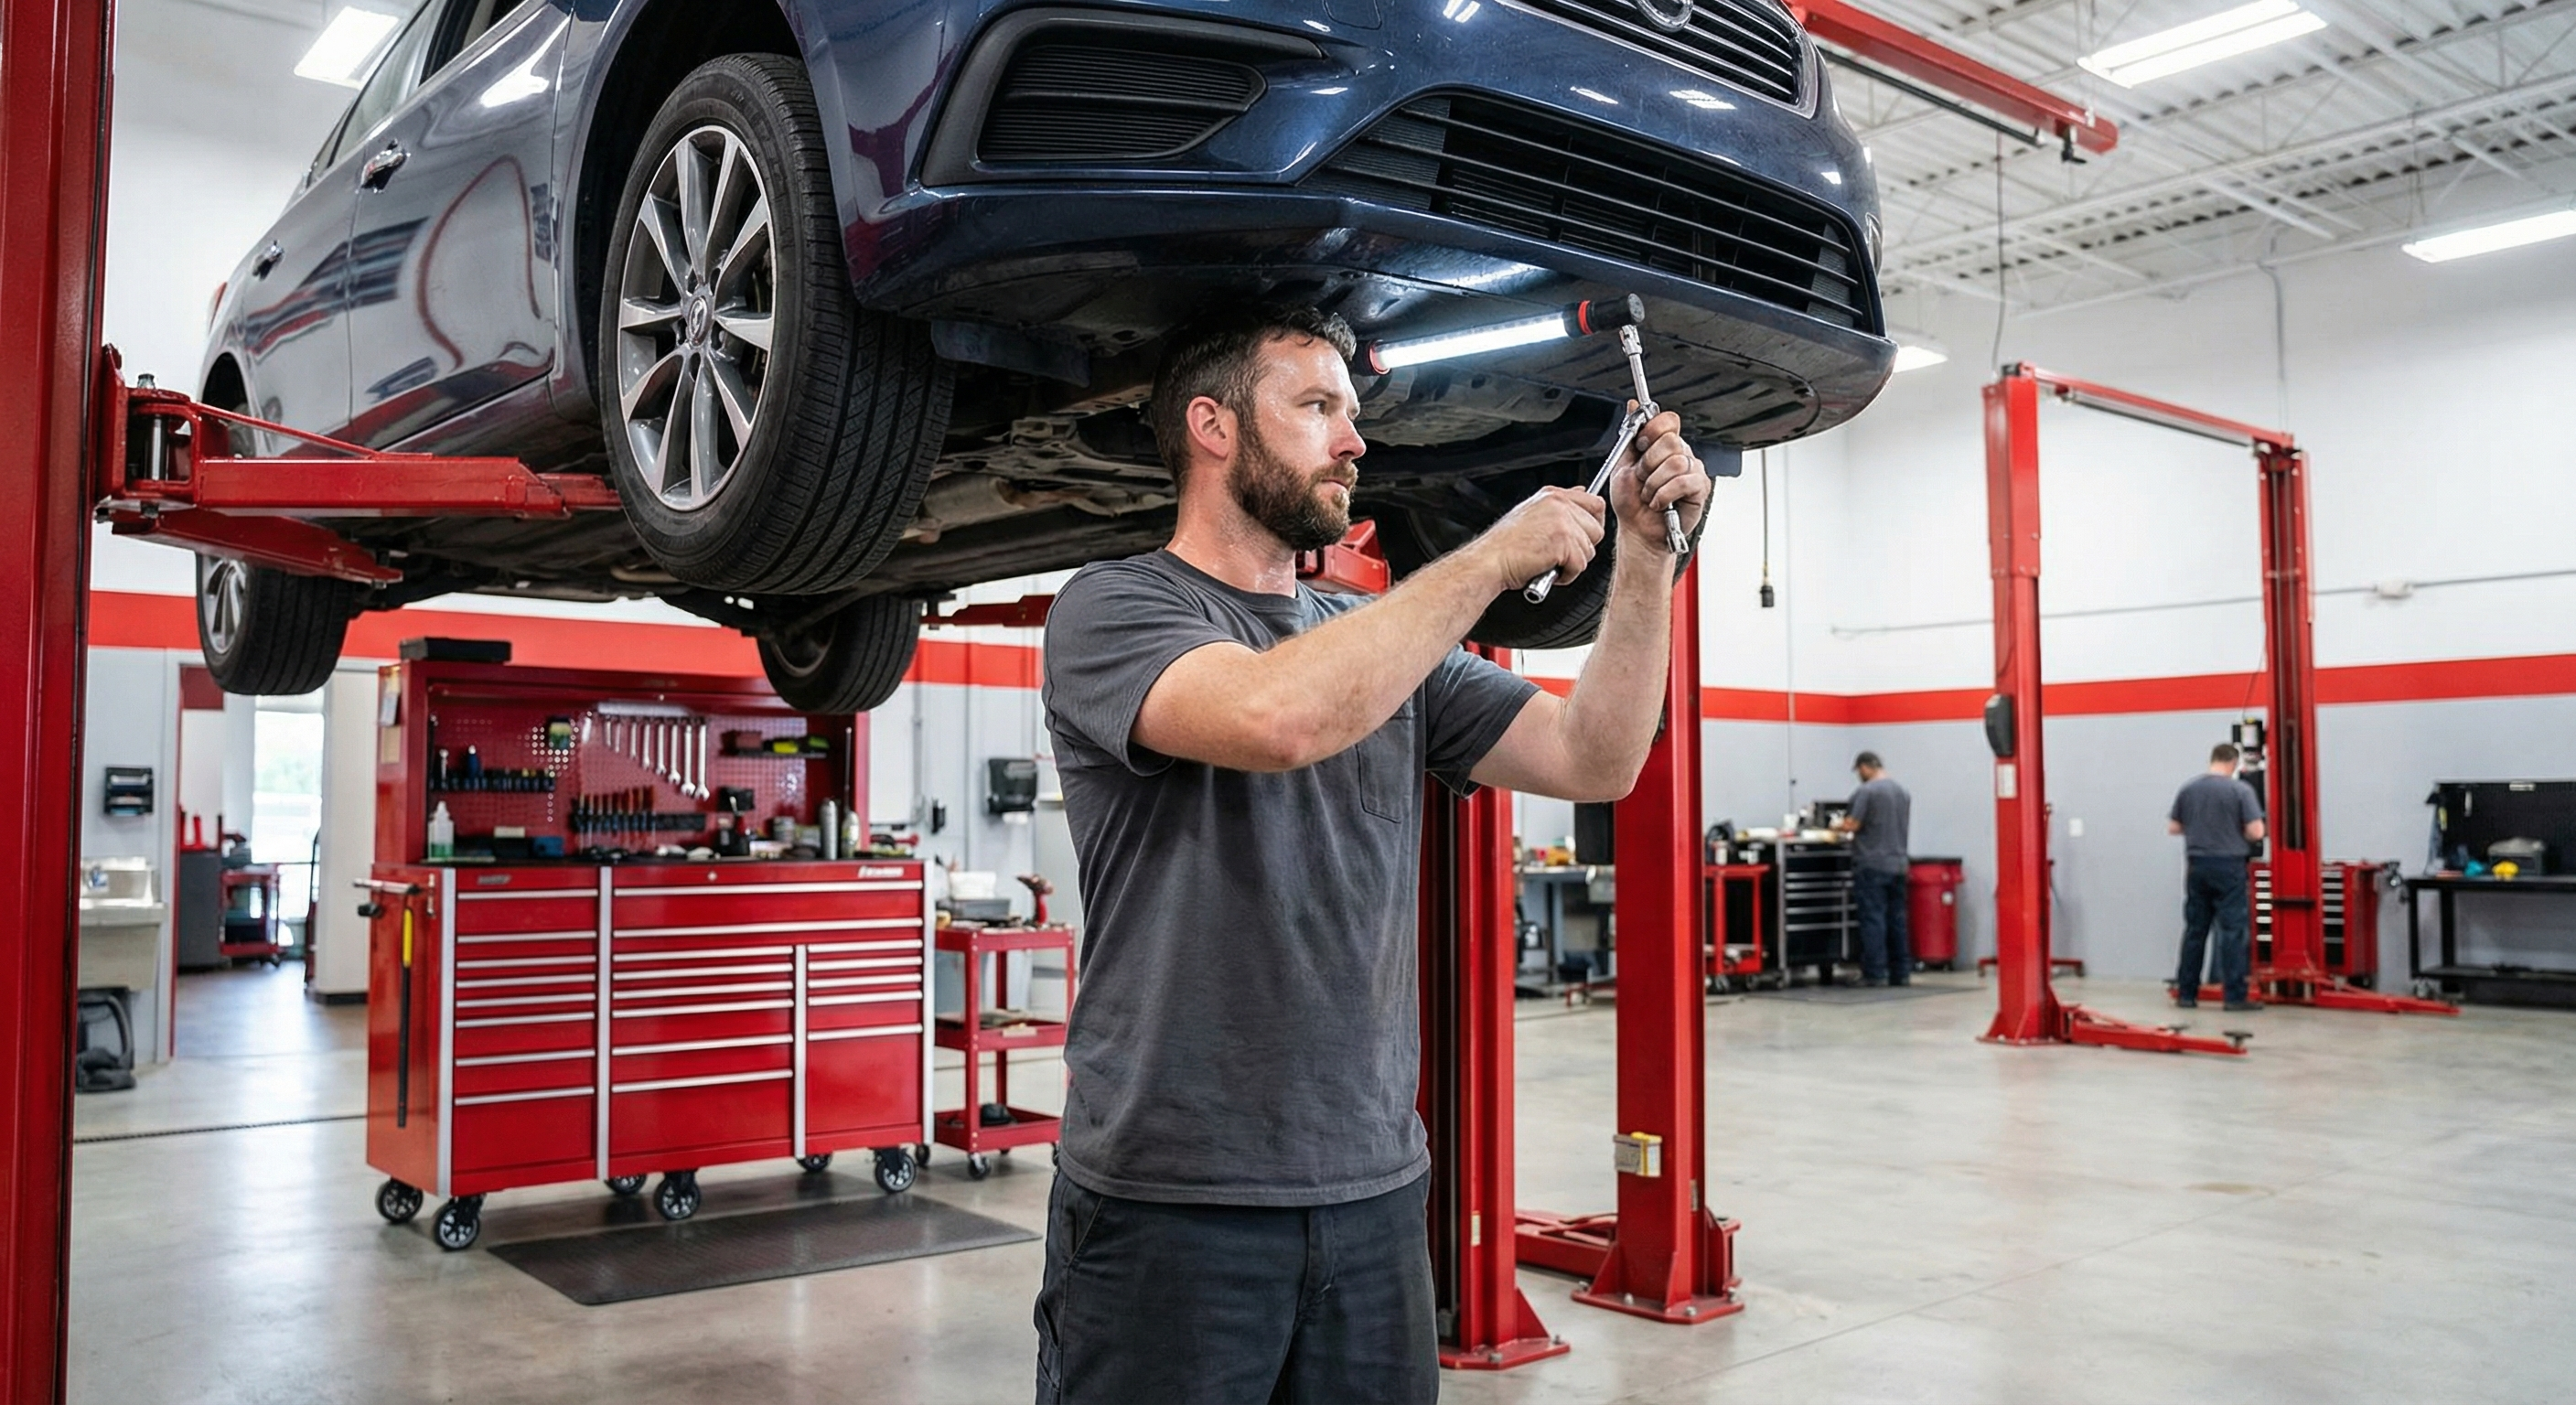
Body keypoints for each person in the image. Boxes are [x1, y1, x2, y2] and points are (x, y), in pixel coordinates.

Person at [1035, 303, 1712, 1403]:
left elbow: (1594, 758)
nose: (1353, 441)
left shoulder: (1389, 650)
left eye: (1350, 413)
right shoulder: (1115, 609)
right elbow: (1275, 718)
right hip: (1170, 1203)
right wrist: (1488, 559)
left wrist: (1643, 556)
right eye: (1315, 407)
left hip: (1373, 1197)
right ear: (1212, 427)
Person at [2169, 742, 2267, 1011]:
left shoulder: (2189, 789)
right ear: (2233, 763)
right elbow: (2257, 832)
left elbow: (2174, 827)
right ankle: (2234, 997)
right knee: (2232, 932)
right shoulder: (2240, 790)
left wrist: (2200, 828)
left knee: (2195, 930)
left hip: (2197, 866)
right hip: (2229, 866)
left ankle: (2186, 994)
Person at [1837, 751, 1914, 986]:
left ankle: (1875, 972)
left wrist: (1835, 826)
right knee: (1897, 919)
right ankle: (1901, 972)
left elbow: (1853, 824)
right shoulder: (1902, 792)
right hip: (1899, 864)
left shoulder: (1867, 791)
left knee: (1873, 919)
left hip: (1872, 864)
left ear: (1864, 767)